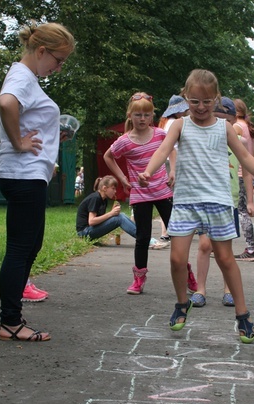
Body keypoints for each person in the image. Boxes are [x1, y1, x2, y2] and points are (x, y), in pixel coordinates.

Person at [139, 69, 254, 343]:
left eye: (207, 101)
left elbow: (245, 157)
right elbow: (161, 151)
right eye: (194, 101)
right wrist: (149, 171)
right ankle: (182, 304)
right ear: (185, 98)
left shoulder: (224, 127)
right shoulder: (180, 125)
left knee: (227, 259)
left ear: (216, 98)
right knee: (177, 258)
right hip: (186, 201)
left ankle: (242, 314)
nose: (201, 107)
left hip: (217, 201)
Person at [0, 22, 75, 341]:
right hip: (21, 173)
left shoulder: (29, 78)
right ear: (41, 51)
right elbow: (6, 103)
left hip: (30, 174)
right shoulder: (22, 76)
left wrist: (45, 156)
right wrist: (19, 144)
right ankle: (10, 322)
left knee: (31, 245)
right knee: (19, 247)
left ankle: (11, 315)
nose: (58, 67)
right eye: (58, 60)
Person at [103, 92, 197, 295]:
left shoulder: (160, 134)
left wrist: (172, 169)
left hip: (163, 191)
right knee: (142, 237)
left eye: (146, 115)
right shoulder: (125, 141)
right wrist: (122, 178)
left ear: (152, 116)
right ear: (130, 115)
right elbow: (108, 156)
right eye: (138, 115)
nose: (142, 119)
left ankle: (186, 272)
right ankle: (139, 278)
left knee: (177, 235)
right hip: (140, 194)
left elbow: (171, 149)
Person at [189, 97, 254, 309]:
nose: (220, 123)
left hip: (229, 201)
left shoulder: (238, 141)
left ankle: (228, 289)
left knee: (225, 249)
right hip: (205, 198)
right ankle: (200, 289)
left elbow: (246, 171)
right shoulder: (203, 138)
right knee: (205, 244)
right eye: (217, 118)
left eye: (225, 119)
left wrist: (250, 201)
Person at [157, 95, 189, 242]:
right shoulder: (175, 123)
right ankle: (168, 230)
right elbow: (173, 148)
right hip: (173, 162)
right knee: (173, 198)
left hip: (166, 162)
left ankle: (167, 230)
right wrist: (174, 169)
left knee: (168, 197)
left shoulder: (164, 123)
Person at [232, 99, 254, 262]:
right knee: (240, 209)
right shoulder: (249, 128)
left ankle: (251, 249)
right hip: (247, 171)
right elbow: (253, 155)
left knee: (241, 211)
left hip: (238, 172)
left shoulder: (236, 127)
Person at [76, 175, 136, 240]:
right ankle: (142, 237)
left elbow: (100, 219)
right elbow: (91, 221)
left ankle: (142, 234)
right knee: (119, 218)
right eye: (113, 188)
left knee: (121, 215)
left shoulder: (104, 200)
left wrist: (113, 212)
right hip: (84, 232)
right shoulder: (95, 198)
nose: (115, 191)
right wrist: (111, 213)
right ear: (104, 188)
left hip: (90, 229)